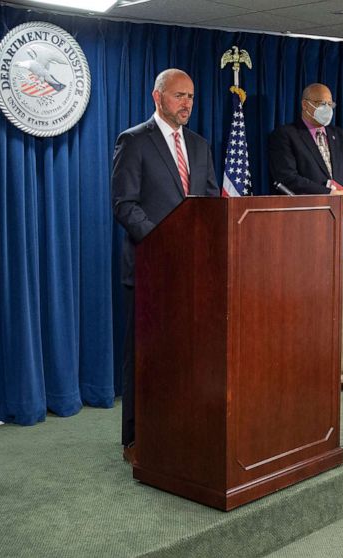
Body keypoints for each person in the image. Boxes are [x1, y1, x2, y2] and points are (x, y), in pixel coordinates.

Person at [111, 69, 220, 461]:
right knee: (144, 357)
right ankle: (135, 440)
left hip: (194, 273)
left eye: (191, 96)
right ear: (157, 97)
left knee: (188, 356)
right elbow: (125, 204)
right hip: (150, 270)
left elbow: (209, 205)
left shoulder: (201, 145)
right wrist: (165, 242)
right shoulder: (134, 140)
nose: (187, 103)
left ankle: (181, 428)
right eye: (179, 96)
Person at [268, 83, 343, 395]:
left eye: (330, 102)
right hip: (304, 237)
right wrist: (331, 194)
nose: (326, 107)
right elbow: (286, 178)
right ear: (305, 105)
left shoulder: (341, 137)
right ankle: (303, 372)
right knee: (303, 309)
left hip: (341, 236)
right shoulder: (285, 136)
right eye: (320, 102)